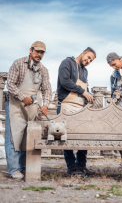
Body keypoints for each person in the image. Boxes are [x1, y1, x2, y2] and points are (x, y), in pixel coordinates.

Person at [5, 41, 52, 179]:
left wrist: (46, 105)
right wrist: (22, 97)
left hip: (33, 108)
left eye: (42, 52)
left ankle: (25, 167)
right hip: (16, 106)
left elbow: (47, 89)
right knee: (14, 136)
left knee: (29, 137)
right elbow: (10, 84)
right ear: (31, 50)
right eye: (37, 51)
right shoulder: (18, 63)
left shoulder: (44, 70)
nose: (39, 54)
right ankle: (14, 170)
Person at [57, 47, 96, 175]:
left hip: (80, 107)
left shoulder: (85, 71)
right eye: (88, 57)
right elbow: (65, 82)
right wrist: (83, 91)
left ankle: (81, 166)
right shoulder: (67, 63)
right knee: (66, 138)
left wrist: (89, 95)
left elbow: (85, 88)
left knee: (83, 136)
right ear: (83, 53)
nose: (88, 61)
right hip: (66, 105)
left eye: (91, 60)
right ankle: (72, 167)